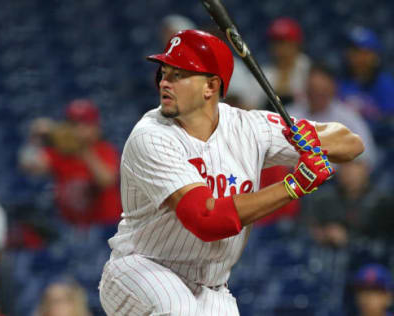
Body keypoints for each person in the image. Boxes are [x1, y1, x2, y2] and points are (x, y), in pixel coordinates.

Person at [99, 29, 364, 315]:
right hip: (142, 268)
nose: (165, 82)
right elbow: (206, 219)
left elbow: (351, 143)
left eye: (178, 75)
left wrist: (312, 139)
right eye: (164, 73)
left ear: (211, 86)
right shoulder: (151, 136)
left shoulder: (249, 127)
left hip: (210, 284)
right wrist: (292, 187)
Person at [20, 99, 122, 227]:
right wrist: (34, 140)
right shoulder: (60, 152)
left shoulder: (104, 149)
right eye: (74, 124)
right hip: (72, 229)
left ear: (96, 127)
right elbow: (28, 166)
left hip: (107, 227)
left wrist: (84, 151)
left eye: (85, 123)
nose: (79, 129)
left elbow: (107, 180)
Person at [289, 63, 378, 167]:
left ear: (333, 89)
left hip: (336, 176)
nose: (317, 95)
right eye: (313, 90)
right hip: (295, 174)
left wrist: (355, 164)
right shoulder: (291, 114)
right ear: (306, 88)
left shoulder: (348, 116)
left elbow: (367, 152)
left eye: (322, 91)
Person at [229, 17, 311, 110]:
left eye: (285, 42)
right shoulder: (264, 73)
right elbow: (249, 106)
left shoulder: (308, 69)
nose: (280, 48)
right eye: (275, 42)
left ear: (296, 44)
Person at [338, 27, 394, 124]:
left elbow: (389, 120)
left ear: (375, 56)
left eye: (365, 52)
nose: (359, 57)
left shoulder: (386, 84)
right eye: (354, 51)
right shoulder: (338, 82)